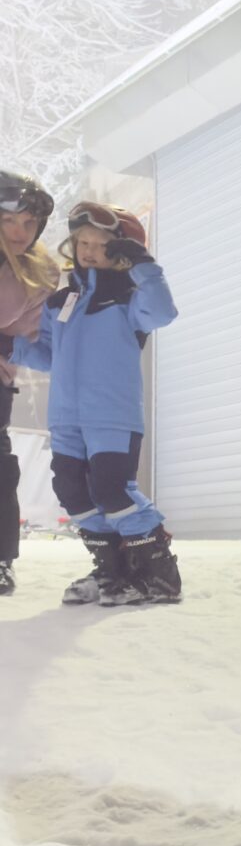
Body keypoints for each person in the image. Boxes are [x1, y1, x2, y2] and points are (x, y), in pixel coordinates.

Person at [23, 202, 180, 606]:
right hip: (66, 418)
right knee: (71, 490)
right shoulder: (60, 302)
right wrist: (10, 347)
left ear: (122, 251)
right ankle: (113, 570)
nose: (90, 251)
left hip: (113, 415)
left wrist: (144, 265)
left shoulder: (132, 298)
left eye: (102, 245)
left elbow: (164, 312)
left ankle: (158, 573)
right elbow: (47, 355)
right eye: (83, 242)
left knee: (113, 490)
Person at [0, 171, 61, 598]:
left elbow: (25, 332)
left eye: (29, 223)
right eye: (9, 220)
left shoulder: (40, 272)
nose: (20, 232)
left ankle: (1, 561)